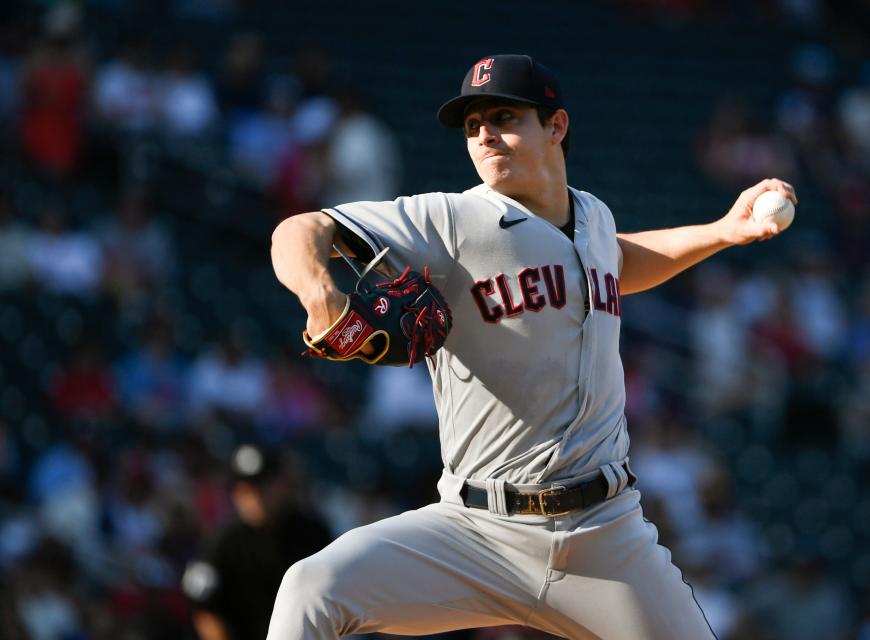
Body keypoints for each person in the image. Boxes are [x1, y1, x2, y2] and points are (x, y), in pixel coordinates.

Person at [267, 54, 796, 639]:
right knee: (311, 589)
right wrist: (322, 298)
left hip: (605, 536)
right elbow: (298, 230)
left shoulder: (593, 217)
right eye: (472, 125)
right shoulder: (452, 220)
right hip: (475, 533)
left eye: (503, 116)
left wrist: (724, 231)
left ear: (556, 127)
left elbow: (617, 261)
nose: (485, 134)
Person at [182, 444, 332, 640]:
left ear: (281, 485)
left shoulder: (312, 533)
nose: (255, 497)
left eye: (262, 487)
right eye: (246, 490)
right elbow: (205, 609)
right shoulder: (221, 543)